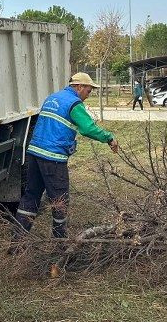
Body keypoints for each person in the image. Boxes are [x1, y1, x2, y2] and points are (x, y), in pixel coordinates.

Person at [16, 72, 119, 240]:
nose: (89, 94)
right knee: (60, 201)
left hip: (34, 154)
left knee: (31, 196)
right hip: (52, 158)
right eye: (88, 90)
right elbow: (88, 128)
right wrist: (109, 137)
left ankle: (17, 241)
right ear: (79, 87)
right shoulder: (74, 103)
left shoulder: (52, 98)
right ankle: (60, 243)